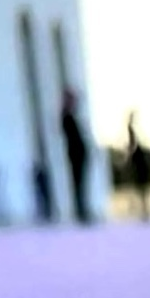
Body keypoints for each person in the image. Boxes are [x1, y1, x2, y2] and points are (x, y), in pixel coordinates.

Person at [61, 89, 90, 224]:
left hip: (78, 154)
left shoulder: (70, 116)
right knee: (78, 183)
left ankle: (82, 210)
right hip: (75, 154)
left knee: (80, 183)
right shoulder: (66, 116)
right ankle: (80, 212)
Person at [127, 112, 150, 222]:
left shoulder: (135, 135)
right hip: (139, 167)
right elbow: (131, 146)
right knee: (141, 190)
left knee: (142, 190)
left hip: (140, 166)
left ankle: (143, 210)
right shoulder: (131, 133)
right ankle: (142, 211)